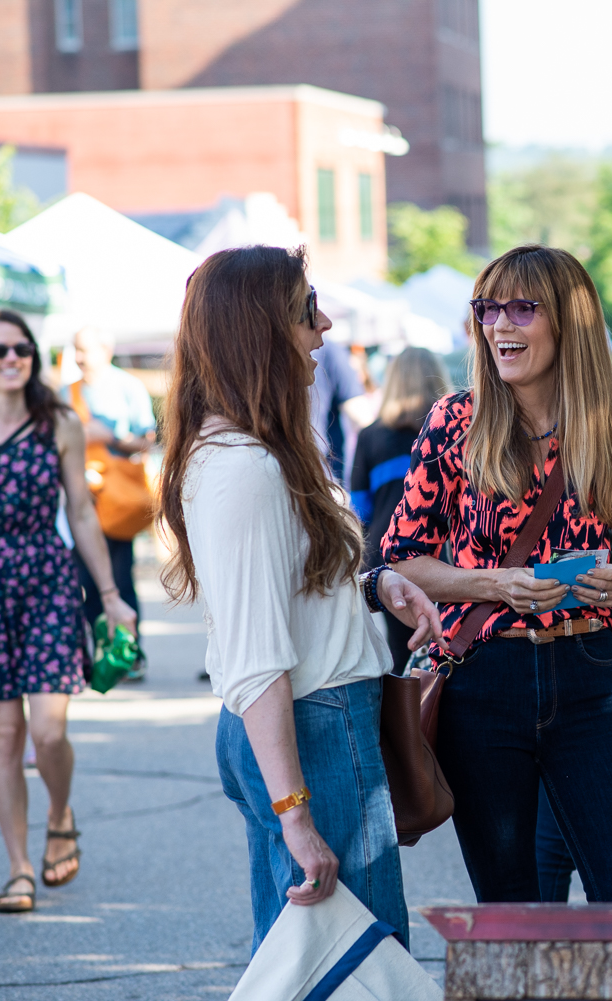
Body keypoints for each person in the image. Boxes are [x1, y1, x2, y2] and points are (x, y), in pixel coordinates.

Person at [158, 245, 440, 952]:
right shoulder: (244, 467)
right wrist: (295, 813)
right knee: (358, 963)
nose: (325, 327)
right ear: (262, 329)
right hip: (312, 729)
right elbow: (257, 657)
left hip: (312, 724)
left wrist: (375, 584)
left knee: (310, 958)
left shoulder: (257, 451)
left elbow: (290, 586)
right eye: (306, 310)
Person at [384, 244, 612, 903]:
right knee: (511, 908)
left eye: (522, 308)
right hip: (484, 683)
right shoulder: (457, 421)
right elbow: (402, 556)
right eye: (488, 309)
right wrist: (494, 584)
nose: (499, 325)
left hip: (588, 673)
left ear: (569, 321)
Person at [0, 310, 137, 914]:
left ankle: (60, 812)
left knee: (48, 730)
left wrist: (111, 596)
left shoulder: (59, 423)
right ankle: (18, 868)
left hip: (48, 579)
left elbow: (84, 514)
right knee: (5, 733)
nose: (12, 359)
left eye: (22, 350)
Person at [349, 347, 451, 674]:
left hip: (389, 560)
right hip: (446, 559)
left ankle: (412, 721)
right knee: (451, 646)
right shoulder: (453, 431)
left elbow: (359, 509)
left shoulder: (370, 437)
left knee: (404, 654)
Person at [64, 327, 155, 679]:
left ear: (107, 350)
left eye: (85, 350)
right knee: (83, 580)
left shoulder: (127, 387)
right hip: (78, 500)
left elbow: (146, 440)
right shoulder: (65, 392)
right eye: (76, 350)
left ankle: (129, 655)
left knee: (119, 578)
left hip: (114, 503)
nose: (80, 357)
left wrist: (112, 437)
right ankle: (100, 654)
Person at [309, 337, 376, 482]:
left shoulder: (266, 347)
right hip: (322, 468)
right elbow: (361, 414)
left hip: (277, 459)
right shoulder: (329, 349)